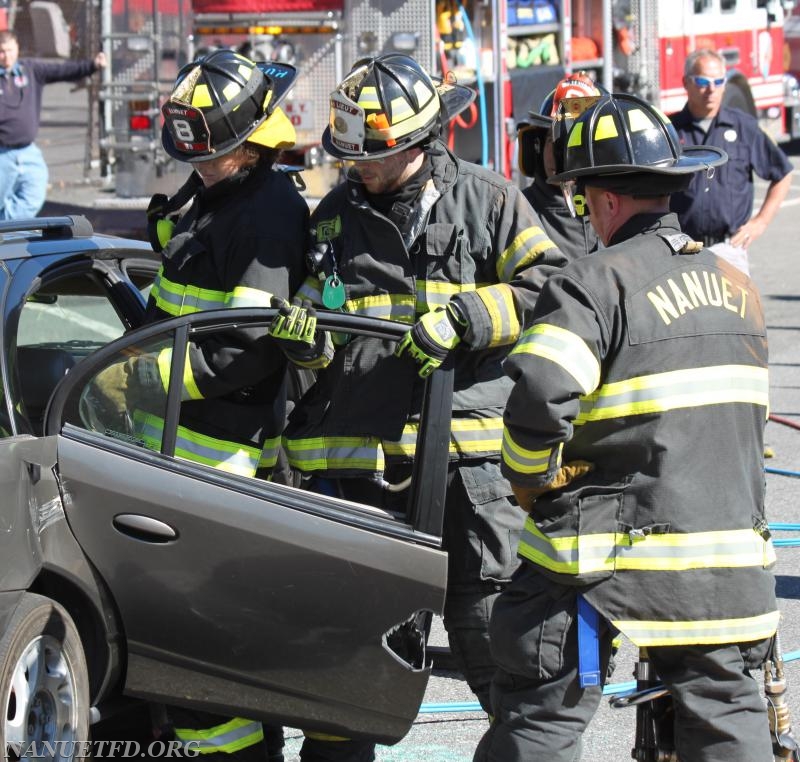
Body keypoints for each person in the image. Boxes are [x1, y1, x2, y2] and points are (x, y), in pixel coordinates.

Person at [269, 53, 566, 762]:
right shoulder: (336, 217)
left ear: (417, 143)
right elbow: (328, 324)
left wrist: (469, 318)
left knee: (491, 633)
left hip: (468, 466)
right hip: (366, 464)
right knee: (350, 654)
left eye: (370, 157)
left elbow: (552, 290)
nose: (357, 169)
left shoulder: (489, 201)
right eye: (351, 157)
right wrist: (306, 348)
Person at [475, 92, 779, 762]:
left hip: (602, 563)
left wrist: (529, 483)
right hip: (729, 560)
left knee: (542, 715)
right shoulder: (740, 289)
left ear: (601, 199)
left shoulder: (590, 284)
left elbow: (538, 399)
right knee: (729, 718)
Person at [96, 49, 309, 761]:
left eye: (214, 155)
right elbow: (175, 309)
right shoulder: (213, 194)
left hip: (221, 464)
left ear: (252, 141)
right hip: (170, 463)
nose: (203, 164)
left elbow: (246, 347)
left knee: (206, 666)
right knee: (178, 659)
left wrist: (143, 381)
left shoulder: (271, 214)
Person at [669, 47, 792, 274]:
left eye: (718, 82)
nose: (711, 90)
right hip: (680, 248)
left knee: (733, 310)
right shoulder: (669, 132)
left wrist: (760, 222)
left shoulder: (744, 126)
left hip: (728, 249)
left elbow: (782, 173)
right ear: (686, 83)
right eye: (703, 81)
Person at [0, 29, 106, 220]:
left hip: (27, 151)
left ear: (17, 48)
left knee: (33, 195)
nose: (5, 56)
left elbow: (61, 71)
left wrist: (92, 65)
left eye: (9, 50)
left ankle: (5, 226)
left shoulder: (30, 70)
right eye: (1, 51)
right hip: (2, 154)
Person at [517, 70, 601, 260]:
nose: (556, 152)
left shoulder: (614, 209)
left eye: (570, 140)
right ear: (537, 146)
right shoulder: (520, 212)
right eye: (550, 139)